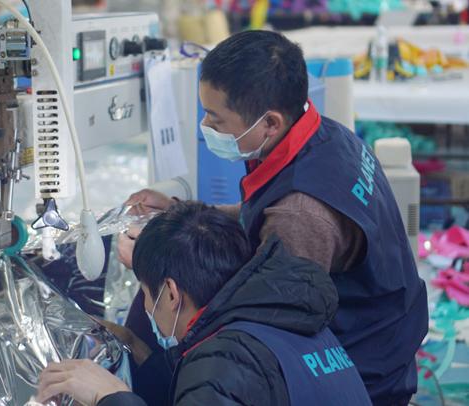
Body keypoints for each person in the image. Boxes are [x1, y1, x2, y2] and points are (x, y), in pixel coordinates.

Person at [118, 31, 428, 405]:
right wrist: (178, 212)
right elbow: (263, 214)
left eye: (216, 118)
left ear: (270, 123)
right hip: (383, 325)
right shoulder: (323, 136)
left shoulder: (301, 217)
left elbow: (265, 306)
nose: (207, 126)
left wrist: (154, 259)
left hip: (361, 368)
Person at [35, 202, 371, 405]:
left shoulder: (224, 362)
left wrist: (110, 397)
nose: (148, 307)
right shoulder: (283, 318)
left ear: (171, 293)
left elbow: (218, 382)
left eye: (147, 294)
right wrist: (137, 348)